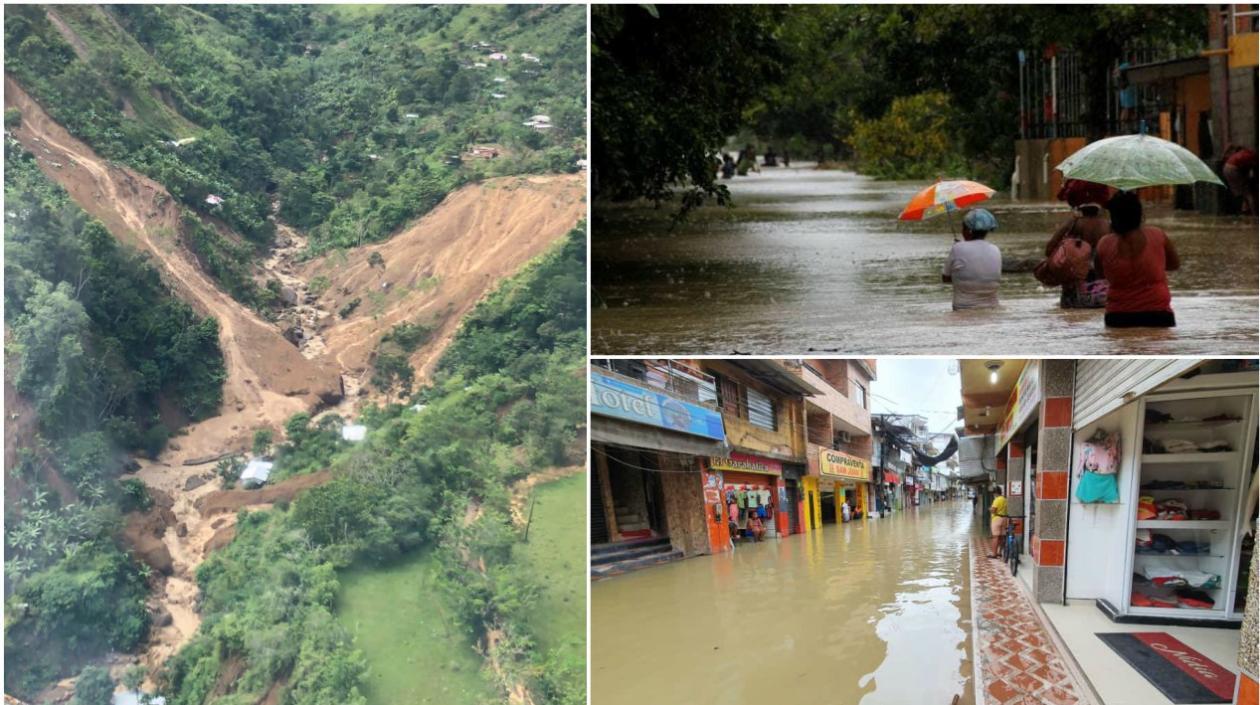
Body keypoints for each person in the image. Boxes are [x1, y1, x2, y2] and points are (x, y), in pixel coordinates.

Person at [1095, 191, 1180, 328]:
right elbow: (1174, 264)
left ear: (1113, 216)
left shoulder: (1104, 243)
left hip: (1118, 316)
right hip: (1158, 314)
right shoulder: (1157, 235)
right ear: (1139, 213)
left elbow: (1101, 274)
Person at [1047, 180, 1112, 308]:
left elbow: (1049, 249)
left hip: (1075, 294)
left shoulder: (1072, 224)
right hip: (1104, 294)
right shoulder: (1109, 226)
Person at [942, 208, 1002, 310]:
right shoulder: (995, 249)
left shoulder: (958, 248)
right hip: (992, 309)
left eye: (963, 228)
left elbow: (945, 278)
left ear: (968, 230)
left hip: (963, 309)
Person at [1223, 145, 1257, 215]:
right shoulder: (1252, 156)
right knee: (1248, 193)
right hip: (1233, 169)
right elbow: (1250, 171)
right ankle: (1254, 213)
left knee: (1241, 192)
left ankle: (1244, 209)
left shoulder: (1242, 153)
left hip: (1226, 168)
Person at [989, 486, 1008, 559]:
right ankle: (1000, 552)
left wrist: (990, 509)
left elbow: (993, 510)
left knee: (995, 537)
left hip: (997, 519)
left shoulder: (997, 500)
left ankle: (994, 554)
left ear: (995, 493)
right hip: (1004, 519)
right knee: (1002, 537)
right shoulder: (1004, 499)